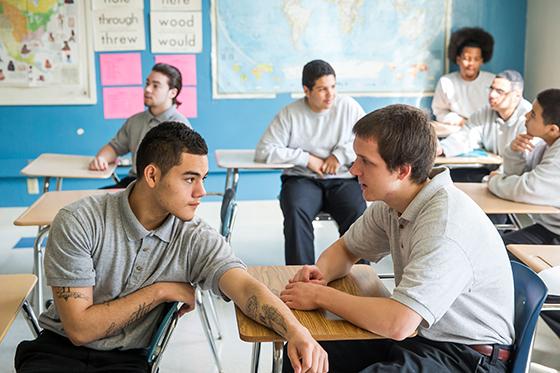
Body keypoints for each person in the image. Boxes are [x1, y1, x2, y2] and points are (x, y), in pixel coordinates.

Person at [15, 122, 328, 373]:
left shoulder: (194, 237)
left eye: (203, 178)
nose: (202, 191)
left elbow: (246, 289)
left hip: (128, 359)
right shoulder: (80, 221)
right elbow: (79, 329)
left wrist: (296, 331)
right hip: (57, 350)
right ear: (152, 175)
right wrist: (161, 291)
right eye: (190, 178)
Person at [280, 104, 515, 372]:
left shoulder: (445, 226)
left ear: (402, 171)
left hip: (467, 355)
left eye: (366, 161)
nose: (354, 169)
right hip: (422, 339)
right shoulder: (394, 202)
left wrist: (320, 296)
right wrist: (319, 274)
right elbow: (346, 249)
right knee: (305, 351)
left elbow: (399, 323)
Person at [255, 59, 366, 265]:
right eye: (322, 89)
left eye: (333, 87)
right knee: (295, 210)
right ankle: (301, 277)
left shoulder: (348, 106)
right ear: (306, 90)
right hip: (302, 179)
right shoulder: (290, 113)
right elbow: (264, 151)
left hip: (342, 178)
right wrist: (306, 159)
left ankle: (360, 276)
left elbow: (368, 140)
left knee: (357, 212)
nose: (330, 94)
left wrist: (339, 155)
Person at [488, 88, 560, 339]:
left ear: (553, 129)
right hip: (549, 228)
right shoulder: (545, 145)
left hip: (556, 236)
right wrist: (515, 152)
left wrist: (493, 181)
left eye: (533, 114)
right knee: (496, 250)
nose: (526, 116)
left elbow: (526, 188)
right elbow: (520, 177)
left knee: (509, 265)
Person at [89, 63, 190, 188]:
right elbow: (114, 147)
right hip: (134, 183)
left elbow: (185, 170)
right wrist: (102, 158)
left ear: (172, 93)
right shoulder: (135, 121)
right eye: (147, 83)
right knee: (92, 200)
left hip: (162, 187)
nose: (147, 89)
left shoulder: (180, 127)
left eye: (155, 86)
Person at [438, 70, 531, 182]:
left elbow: (523, 162)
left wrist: (497, 176)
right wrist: (441, 149)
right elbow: (465, 136)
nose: (492, 95)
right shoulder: (486, 111)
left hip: (513, 178)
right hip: (490, 172)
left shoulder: (528, 119)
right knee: (442, 176)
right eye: (491, 88)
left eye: (499, 91)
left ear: (517, 96)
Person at [432, 27, 495, 126]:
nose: (471, 63)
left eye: (476, 59)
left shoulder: (492, 81)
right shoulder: (446, 82)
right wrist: (461, 122)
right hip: (456, 131)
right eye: (466, 58)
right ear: (458, 59)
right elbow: (439, 111)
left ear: (482, 61)